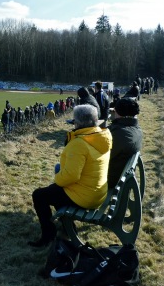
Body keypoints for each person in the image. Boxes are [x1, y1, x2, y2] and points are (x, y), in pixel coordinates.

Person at [29, 104, 112, 247]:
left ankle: (48, 235)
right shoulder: (101, 136)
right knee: (53, 192)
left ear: (78, 122)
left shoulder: (79, 143)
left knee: (39, 195)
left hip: (84, 196)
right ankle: (68, 228)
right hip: (98, 193)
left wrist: (57, 179)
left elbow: (71, 176)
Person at [107, 97, 143, 188]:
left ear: (118, 112)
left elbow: (100, 157)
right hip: (120, 176)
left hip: (110, 180)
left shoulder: (119, 134)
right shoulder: (136, 129)